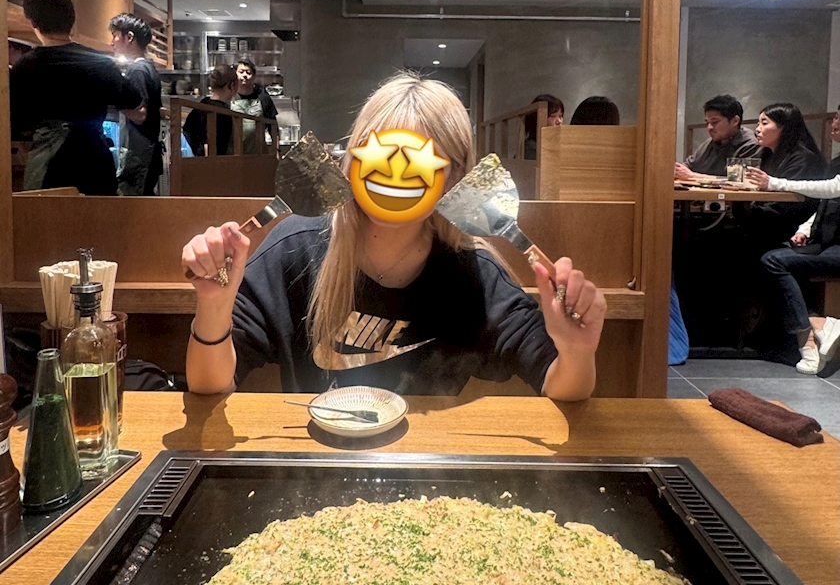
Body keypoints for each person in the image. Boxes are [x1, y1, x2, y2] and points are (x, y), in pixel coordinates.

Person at [181, 72, 606, 400]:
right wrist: (214, 304)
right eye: (379, 157)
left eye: (418, 165)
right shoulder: (295, 247)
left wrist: (577, 352)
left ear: (453, 177)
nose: (395, 176)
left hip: (426, 473)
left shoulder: (473, 272)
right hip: (319, 464)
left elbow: (560, 385)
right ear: (353, 160)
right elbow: (209, 385)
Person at [10, 0, 143, 195]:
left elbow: (18, 122)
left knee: (47, 215)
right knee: (99, 215)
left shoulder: (23, 67)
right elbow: (137, 109)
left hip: (49, 163)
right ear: (71, 20)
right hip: (94, 159)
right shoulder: (99, 62)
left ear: (33, 23)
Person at [753, 106, 840, 374]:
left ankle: (810, 334)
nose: (835, 122)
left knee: (772, 259)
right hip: (827, 243)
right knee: (770, 254)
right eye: (836, 116)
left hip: (836, 247)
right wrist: (805, 227)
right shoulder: (837, 161)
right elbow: (826, 204)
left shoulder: (807, 158)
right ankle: (815, 329)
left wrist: (775, 183)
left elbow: (833, 189)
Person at [738, 102, 827, 259]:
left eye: (764, 123)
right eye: (758, 123)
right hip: (769, 221)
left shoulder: (803, 158)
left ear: (784, 127)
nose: (757, 129)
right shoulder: (768, 154)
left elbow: (788, 205)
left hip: (792, 228)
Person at [108, 13, 163, 196]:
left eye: (115, 36)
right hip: (148, 152)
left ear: (129, 37)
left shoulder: (137, 70)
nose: (112, 43)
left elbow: (140, 114)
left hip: (139, 155)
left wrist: (114, 103)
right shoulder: (149, 67)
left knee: (132, 205)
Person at [674, 94, 760, 180]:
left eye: (715, 122)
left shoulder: (750, 145)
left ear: (735, 121)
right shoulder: (709, 143)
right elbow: (688, 165)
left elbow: (740, 181)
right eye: (707, 123)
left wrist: (693, 176)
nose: (709, 127)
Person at [182, 65, 238, 157]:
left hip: (193, 161)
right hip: (212, 163)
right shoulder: (222, 112)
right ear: (232, 85)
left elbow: (188, 132)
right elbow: (214, 147)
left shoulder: (201, 105)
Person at [231, 58, 278, 153]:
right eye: (241, 72)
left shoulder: (263, 97)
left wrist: (276, 149)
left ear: (253, 76)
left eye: (248, 72)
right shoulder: (228, 97)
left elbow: (273, 126)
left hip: (259, 154)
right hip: (233, 155)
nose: (245, 75)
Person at [523, 93, 564, 160]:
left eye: (560, 116)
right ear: (537, 118)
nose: (559, 121)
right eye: (552, 116)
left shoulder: (563, 144)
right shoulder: (530, 148)